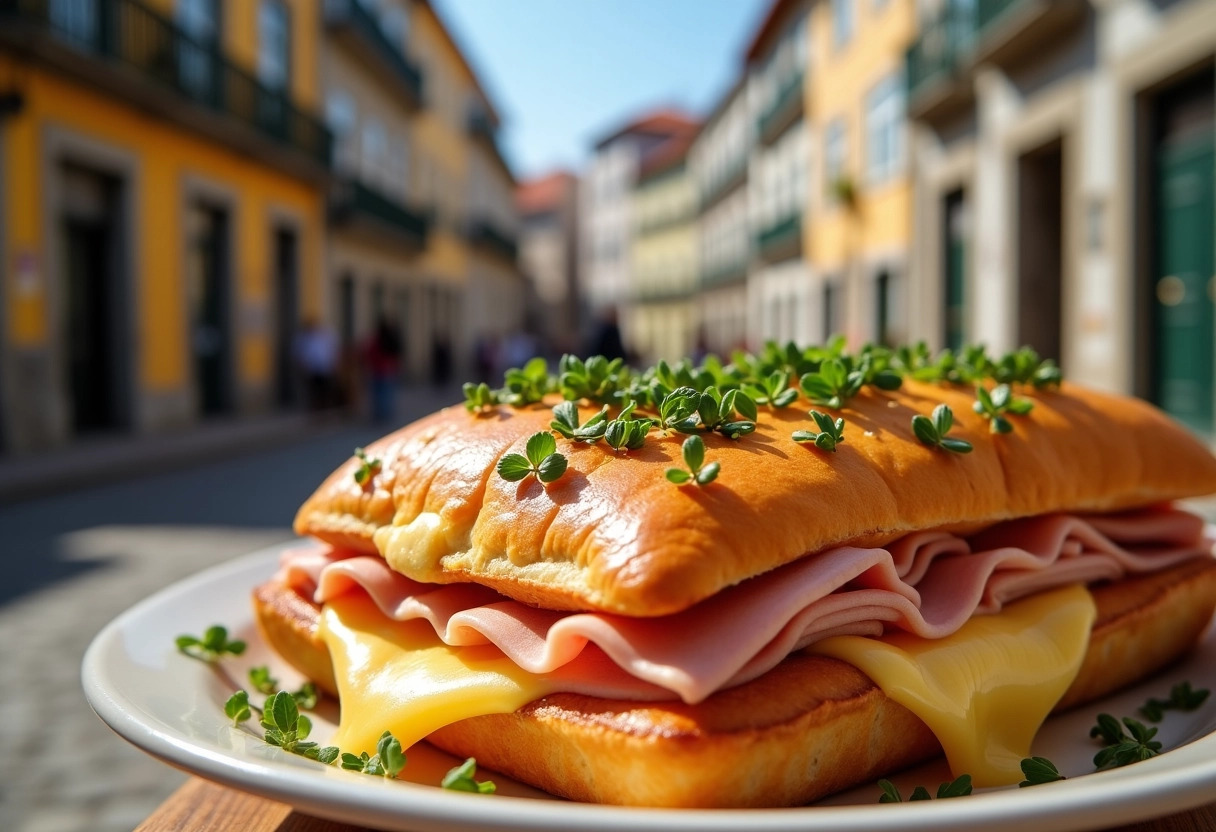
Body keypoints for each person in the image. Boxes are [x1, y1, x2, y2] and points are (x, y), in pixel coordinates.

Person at [294, 318, 338, 412]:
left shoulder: (325, 335)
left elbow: (332, 350)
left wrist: (333, 364)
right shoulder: (303, 338)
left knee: (325, 390)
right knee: (313, 390)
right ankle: (315, 409)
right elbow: (298, 353)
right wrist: (302, 365)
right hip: (311, 369)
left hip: (325, 368)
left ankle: (324, 409)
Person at [364, 318, 402, 423]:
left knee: (379, 393)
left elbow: (369, 352)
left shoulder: (376, 339)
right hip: (386, 369)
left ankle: (380, 413)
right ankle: (384, 413)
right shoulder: (389, 337)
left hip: (378, 369)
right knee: (386, 393)